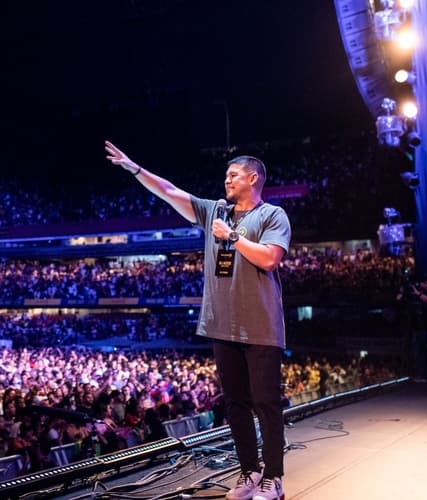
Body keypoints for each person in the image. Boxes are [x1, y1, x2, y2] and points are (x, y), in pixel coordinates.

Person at [106, 141, 290, 500]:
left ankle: (274, 477)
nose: (226, 181)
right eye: (225, 175)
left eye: (233, 175)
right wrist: (134, 167)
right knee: (235, 404)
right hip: (221, 324)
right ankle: (249, 473)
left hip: (261, 326)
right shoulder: (213, 211)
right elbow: (170, 191)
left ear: (253, 178)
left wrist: (233, 237)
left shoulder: (272, 215)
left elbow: (269, 260)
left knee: (266, 403)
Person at [397, 275, 427, 382]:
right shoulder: (415, 292)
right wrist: (402, 292)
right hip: (418, 327)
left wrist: (418, 293)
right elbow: (399, 299)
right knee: (418, 352)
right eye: (425, 283)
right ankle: (421, 375)